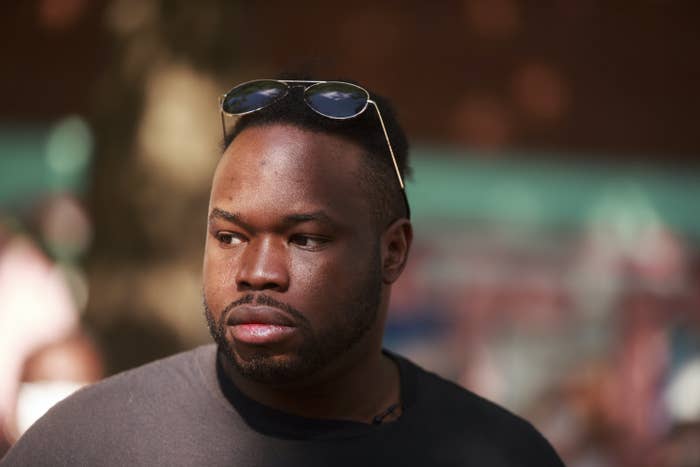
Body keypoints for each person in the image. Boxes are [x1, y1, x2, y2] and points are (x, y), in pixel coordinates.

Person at [1, 78, 565, 466]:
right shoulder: (89, 446)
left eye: (305, 239)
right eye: (228, 236)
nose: (256, 273)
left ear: (393, 253)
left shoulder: (499, 454)